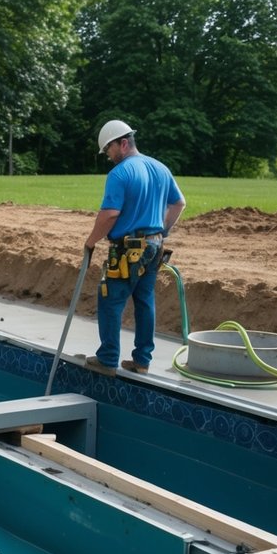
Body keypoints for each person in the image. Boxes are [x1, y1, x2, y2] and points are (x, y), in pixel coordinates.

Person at [83, 120, 186, 375]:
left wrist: (91, 241)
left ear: (123, 143)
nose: (108, 156)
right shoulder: (160, 168)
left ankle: (107, 360)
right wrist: (162, 231)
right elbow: (179, 203)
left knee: (110, 300)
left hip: (127, 250)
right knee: (144, 301)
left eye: (109, 149)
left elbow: (109, 215)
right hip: (154, 246)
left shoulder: (120, 173)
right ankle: (142, 360)